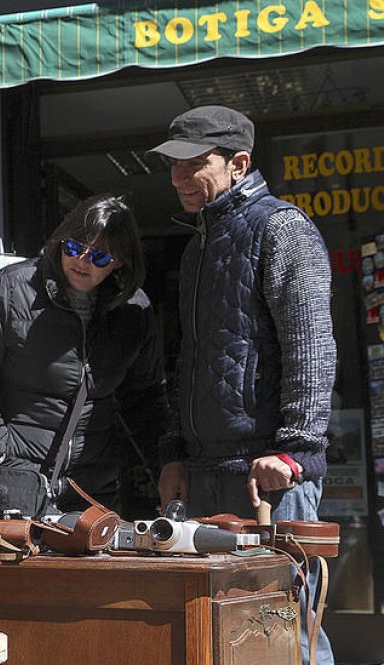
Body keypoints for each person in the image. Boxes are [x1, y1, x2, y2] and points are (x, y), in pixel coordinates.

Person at [146, 105, 335, 665]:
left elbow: (312, 344)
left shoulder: (281, 227)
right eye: (172, 165)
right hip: (206, 475)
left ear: (239, 163)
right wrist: (176, 453)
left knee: (286, 630)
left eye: (192, 163)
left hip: (267, 474)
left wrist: (295, 451)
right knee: (223, 635)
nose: (178, 176)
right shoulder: (199, 244)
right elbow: (191, 360)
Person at [0, 195, 169, 527]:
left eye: (98, 256)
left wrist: (165, 467)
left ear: (119, 262)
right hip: (14, 485)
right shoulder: (13, 289)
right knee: (15, 578)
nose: (81, 261)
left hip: (92, 489)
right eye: (73, 247)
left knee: (88, 579)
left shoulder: (133, 312)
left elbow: (145, 398)